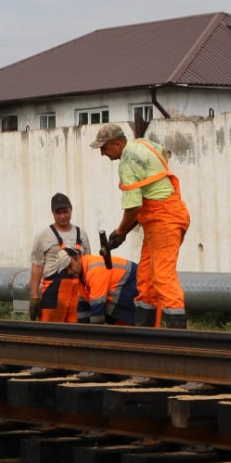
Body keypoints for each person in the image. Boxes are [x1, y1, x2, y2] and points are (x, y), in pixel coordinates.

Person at [91, 123, 190, 328]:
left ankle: (178, 339)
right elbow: (163, 154)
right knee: (145, 279)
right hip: (158, 219)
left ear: (117, 143)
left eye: (104, 147)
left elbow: (134, 206)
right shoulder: (143, 144)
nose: (102, 153)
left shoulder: (126, 162)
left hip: (165, 219)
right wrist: (123, 232)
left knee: (163, 276)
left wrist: (120, 233)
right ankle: (145, 334)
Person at [27, 192, 91, 322]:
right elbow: (37, 267)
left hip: (78, 292)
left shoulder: (81, 234)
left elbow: (88, 263)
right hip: (52, 292)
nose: (62, 216)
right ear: (53, 213)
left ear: (71, 210)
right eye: (58, 213)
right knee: (50, 333)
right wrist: (34, 296)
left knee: (78, 332)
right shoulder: (43, 235)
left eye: (65, 212)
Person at [55, 247, 139, 325]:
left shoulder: (94, 270)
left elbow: (98, 307)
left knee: (142, 322)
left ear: (77, 258)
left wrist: (94, 336)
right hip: (128, 292)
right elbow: (83, 309)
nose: (69, 272)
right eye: (65, 270)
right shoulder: (80, 278)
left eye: (70, 266)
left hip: (135, 284)